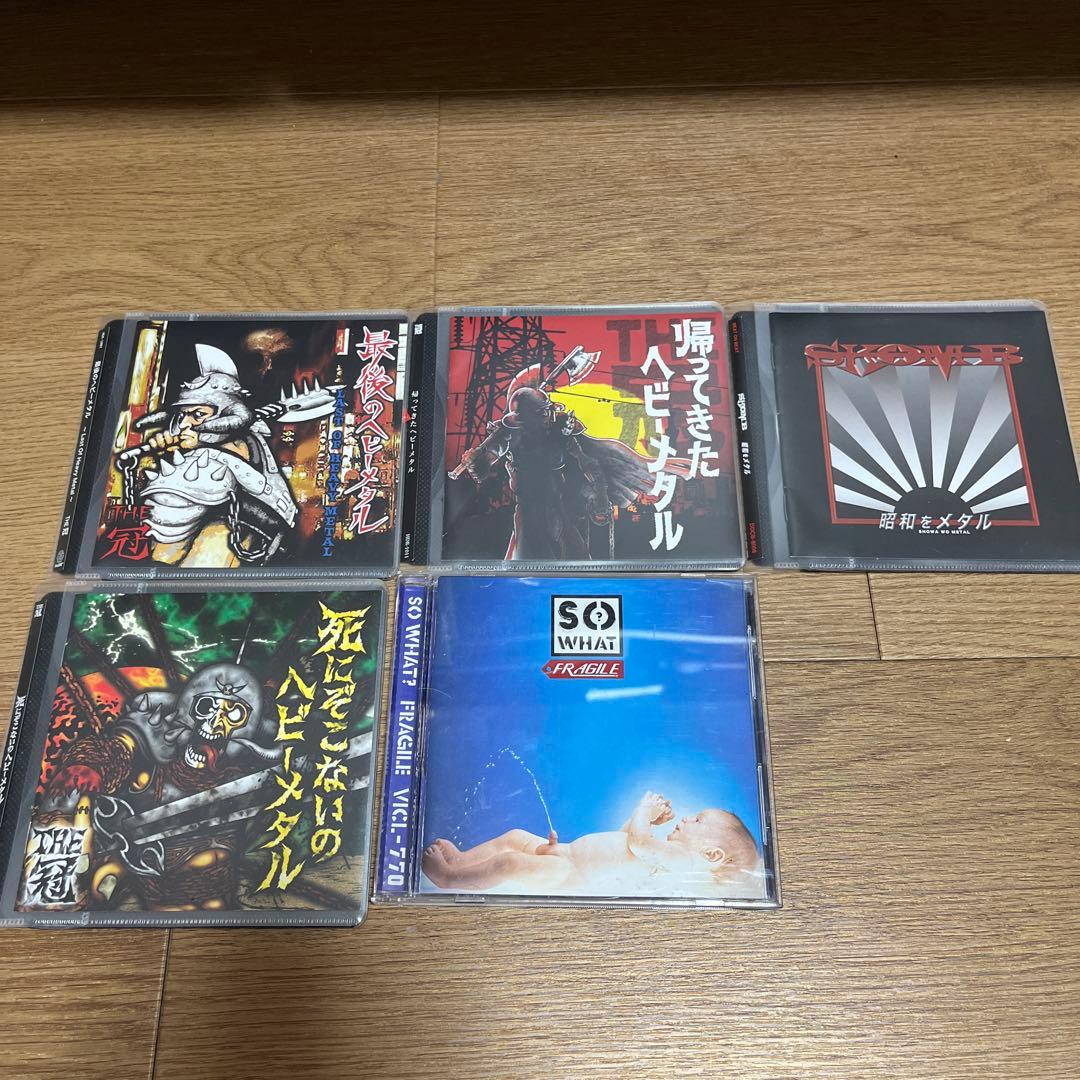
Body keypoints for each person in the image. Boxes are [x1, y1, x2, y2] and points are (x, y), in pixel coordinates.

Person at [421, 790, 764, 899]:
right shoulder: (662, 851)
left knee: (510, 862)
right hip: (566, 853)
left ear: (711, 854)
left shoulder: (680, 861)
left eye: (698, 821)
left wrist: (645, 811)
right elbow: (625, 838)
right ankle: (462, 861)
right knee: (514, 836)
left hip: (567, 872)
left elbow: (639, 844)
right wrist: (647, 820)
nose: (687, 818)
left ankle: (449, 878)